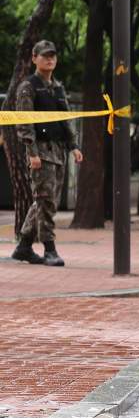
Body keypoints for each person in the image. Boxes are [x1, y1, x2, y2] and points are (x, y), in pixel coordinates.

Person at [10, 40, 83, 267]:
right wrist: (32, 153)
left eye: (52, 55)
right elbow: (24, 123)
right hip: (40, 152)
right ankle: (49, 249)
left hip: (58, 151)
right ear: (34, 58)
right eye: (44, 56)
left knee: (44, 201)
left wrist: (74, 146)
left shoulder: (58, 88)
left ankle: (23, 246)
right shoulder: (28, 87)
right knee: (46, 202)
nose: (49, 59)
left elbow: (66, 119)